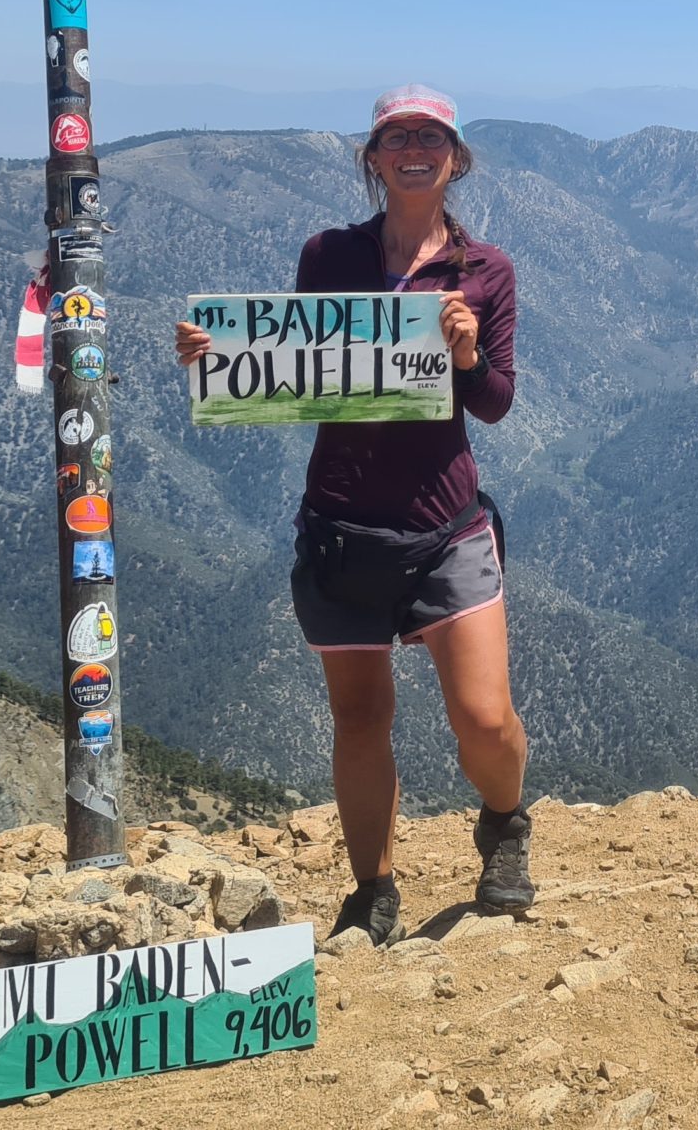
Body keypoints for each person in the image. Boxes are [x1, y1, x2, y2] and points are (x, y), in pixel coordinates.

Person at [175, 84, 530, 944]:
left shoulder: (485, 273)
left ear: (456, 157)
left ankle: (506, 822)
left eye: (432, 135)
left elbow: (495, 404)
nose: (415, 147)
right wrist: (222, 357)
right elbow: (305, 372)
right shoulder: (327, 255)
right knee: (361, 718)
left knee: (484, 718)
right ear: (373, 157)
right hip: (341, 524)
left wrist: (469, 356)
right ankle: (372, 891)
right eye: (397, 135)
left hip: (447, 525)